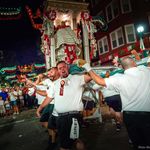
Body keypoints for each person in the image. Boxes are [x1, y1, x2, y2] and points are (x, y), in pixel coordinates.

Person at [81, 57, 150, 149]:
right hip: (147, 113)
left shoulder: (119, 79)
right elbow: (145, 63)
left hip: (130, 115)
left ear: (122, 67)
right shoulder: (146, 71)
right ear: (134, 63)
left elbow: (99, 81)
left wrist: (88, 67)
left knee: (137, 144)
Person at [37, 61, 91, 150]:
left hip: (72, 116)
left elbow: (90, 77)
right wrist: (40, 108)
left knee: (64, 146)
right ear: (58, 71)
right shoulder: (55, 84)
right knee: (76, 139)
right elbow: (49, 98)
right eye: (60, 68)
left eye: (64, 67)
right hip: (60, 117)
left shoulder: (77, 78)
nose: (62, 69)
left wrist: (83, 66)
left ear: (68, 68)